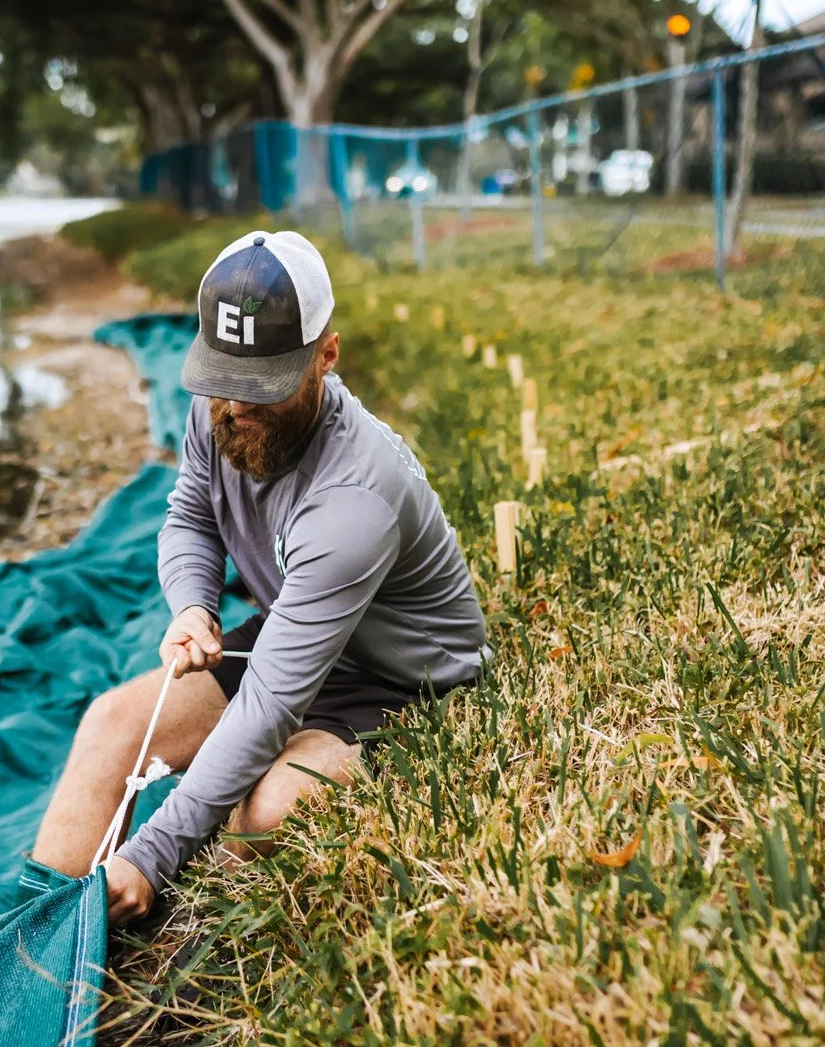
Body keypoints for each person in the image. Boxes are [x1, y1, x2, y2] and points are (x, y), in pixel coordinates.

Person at [31, 229, 486, 923]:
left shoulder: (354, 501)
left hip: (402, 679)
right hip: (294, 626)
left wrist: (151, 856)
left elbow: (268, 706)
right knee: (110, 725)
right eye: (223, 377)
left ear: (325, 357)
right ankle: (40, 948)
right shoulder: (215, 399)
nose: (235, 406)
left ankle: (162, 941)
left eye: (261, 386)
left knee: (266, 812)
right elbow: (189, 516)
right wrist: (193, 608)